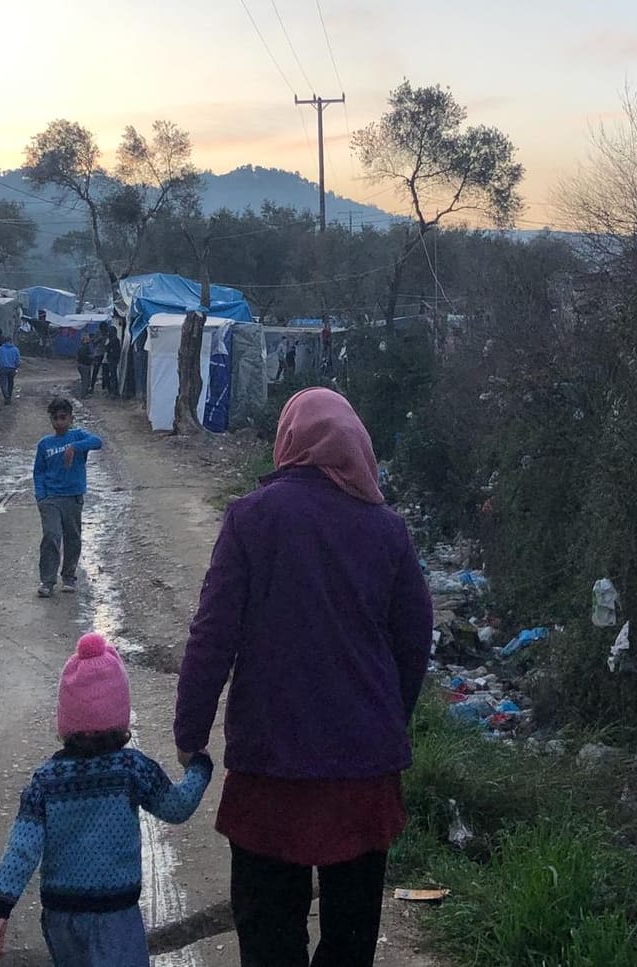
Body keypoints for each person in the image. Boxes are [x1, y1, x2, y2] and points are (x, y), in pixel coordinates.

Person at [173, 387, 433, 967]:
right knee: (350, 936)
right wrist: (391, 717)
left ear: (289, 440)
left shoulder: (251, 518)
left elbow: (212, 636)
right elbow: (415, 641)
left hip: (272, 768)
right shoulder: (387, 529)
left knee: (269, 934)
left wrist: (191, 731)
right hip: (363, 773)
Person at [0, 632, 213, 965]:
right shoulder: (132, 769)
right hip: (115, 914)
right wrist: (199, 767)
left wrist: (1, 906)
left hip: (61, 916)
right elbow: (177, 807)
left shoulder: (46, 779)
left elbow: (22, 846)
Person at [32, 398, 103, 598]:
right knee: (51, 536)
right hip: (50, 498)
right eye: (55, 418)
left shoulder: (79, 436)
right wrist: (41, 495)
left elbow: (97, 442)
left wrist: (74, 447)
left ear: (71, 418)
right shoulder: (45, 444)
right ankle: (47, 580)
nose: (59, 422)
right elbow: (38, 471)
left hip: (73, 497)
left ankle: (69, 576)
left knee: (72, 537)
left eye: (63, 418)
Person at [0, 335, 22, 405]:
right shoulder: (15, 349)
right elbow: (18, 360)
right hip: (12, 369)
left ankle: (6, 395)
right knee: (10, 383)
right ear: (11, 341)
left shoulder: (0, 349)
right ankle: (9, 396)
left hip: (2, 368)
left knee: (3, 384)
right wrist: (16, 367)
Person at [98, 323, 121, 396]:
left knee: (112, 376)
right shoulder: (109, 339)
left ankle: (113, 392)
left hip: (111, 360)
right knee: (108, 376)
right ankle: (110, 391)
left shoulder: (115, 340)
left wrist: (109, 350)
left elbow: (109, 349)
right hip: (107, 360)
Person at [75, 330, 98, 397]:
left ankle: (84, 393)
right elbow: (84, 356)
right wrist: (92, 357)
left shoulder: (81, 347)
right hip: (84, 365)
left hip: (81, 365)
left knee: (85, 380)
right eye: (87, 339)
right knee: (86, 381)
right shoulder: (85, 347)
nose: (89, 340)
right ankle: (83, 395)